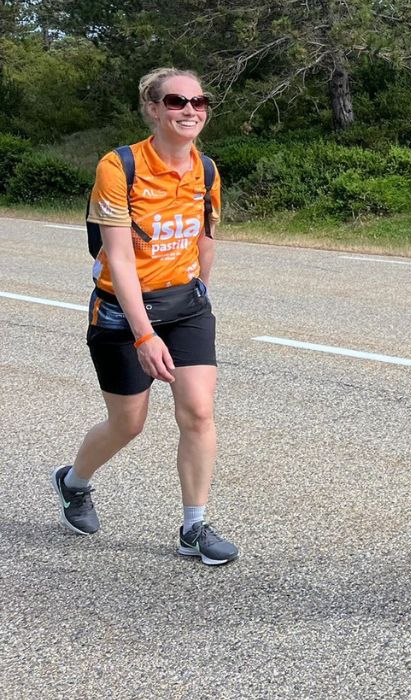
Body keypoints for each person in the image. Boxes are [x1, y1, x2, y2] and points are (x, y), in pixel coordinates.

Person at [51, 67, 237, 566]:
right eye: (176, 101)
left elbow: (206, 237)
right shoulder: (120, 167)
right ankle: (73, 482)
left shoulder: (208, 170)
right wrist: (144, 335)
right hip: (122, 312)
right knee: (128, 423)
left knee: (198, 411)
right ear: (153, 109)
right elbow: (119, 259)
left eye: (200, 102)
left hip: (186, 306)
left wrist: (200, 292)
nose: (190, 110)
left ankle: (194, 526)